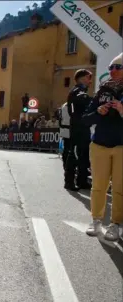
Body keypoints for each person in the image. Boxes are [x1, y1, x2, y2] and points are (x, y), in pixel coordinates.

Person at [82, 53, 123, 240]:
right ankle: (96, 221)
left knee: (120, 188)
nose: (113, 71)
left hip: (121, 146)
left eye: (118, 68)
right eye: (111, 68)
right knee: (98, 186)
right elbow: (86, 118)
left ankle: (116, 224)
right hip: (99, 144)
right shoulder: (102, 91)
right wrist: (98, 112)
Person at [64, 69, 93, 191]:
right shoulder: (77, 92)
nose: (90, 81)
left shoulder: (82, 92)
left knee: (84, 154)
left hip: (84, 127)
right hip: (78, 127)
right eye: (88, 78)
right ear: (81, 78)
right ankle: (69, 182)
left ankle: (82, 180)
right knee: (74, 154)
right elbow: (77, 108)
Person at [59, 102, 71, 170]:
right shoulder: (75, 103)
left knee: (66, 149)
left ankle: (65, 165)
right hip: (73, 131)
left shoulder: (63, 105)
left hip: (65, 131)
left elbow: (60, 118)